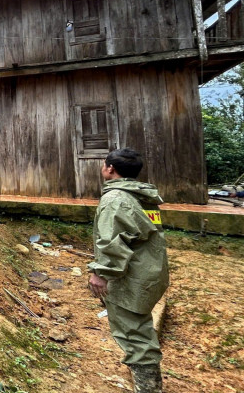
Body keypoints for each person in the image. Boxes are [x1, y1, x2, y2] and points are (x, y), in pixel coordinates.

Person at [87, 148, 169, 393]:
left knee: (135, 335)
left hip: (131, 275)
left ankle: (149, 388)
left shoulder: (115, 200)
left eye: (104, 164)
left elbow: (112, 241)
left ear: (110, 169)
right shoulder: (141, 197)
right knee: (139, 327)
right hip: (149, 269)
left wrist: (100, 273)